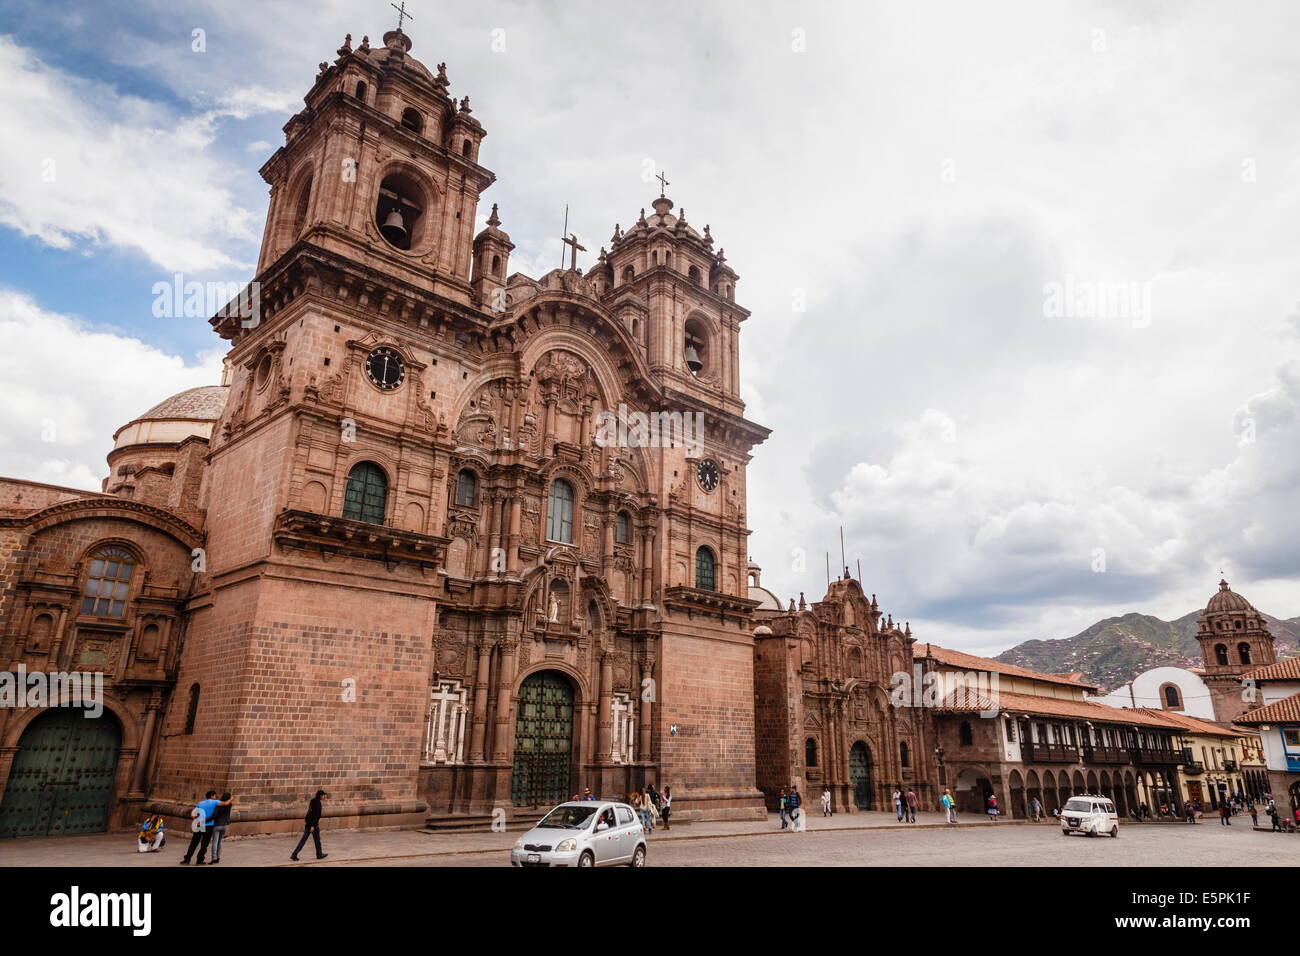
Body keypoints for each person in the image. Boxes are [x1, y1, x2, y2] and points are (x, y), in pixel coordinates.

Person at [180, 790, 225, 864]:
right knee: (204, 845)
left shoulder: (200, 803)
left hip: (199, 825)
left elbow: (193, 814)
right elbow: (226, 803)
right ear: (212, 796)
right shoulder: (215, 802)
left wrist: (197, 821)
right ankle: (199, 860)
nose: (215, 797)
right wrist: (231, 799)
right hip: (209, 826)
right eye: (215, 795)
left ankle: (187, 859)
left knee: (193, 844)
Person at [291, 789, 328, 861]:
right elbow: (314, 815)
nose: (324, 796)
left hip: (308, 824)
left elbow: (309, 811)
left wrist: (306, 820)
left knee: (303, 840)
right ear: (320, 796)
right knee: (317, 840)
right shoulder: (318, 803)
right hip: (313, 825)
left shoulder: (313, 801)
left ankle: (294, 854)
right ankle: (319, 854)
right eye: (323, 795)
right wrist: (312, 826)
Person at [208, 792, 233, 863]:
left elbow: (214, 815)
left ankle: (214, 858)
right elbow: (228, 802)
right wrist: (231, 799)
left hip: (217, 825)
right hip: (225, 825)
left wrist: (206, 820)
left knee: (214, 842)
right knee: (219, 842)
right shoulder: (230, 805)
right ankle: (218, 857)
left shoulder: (218, 805)